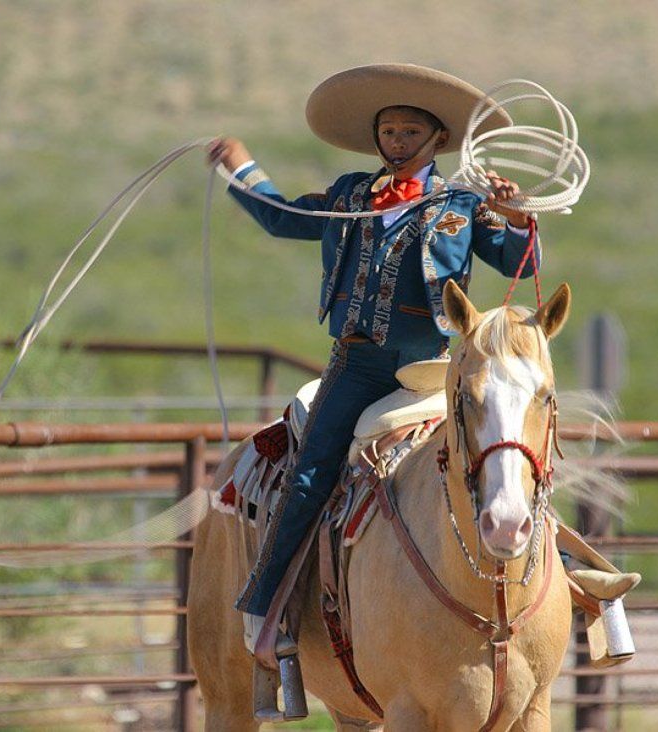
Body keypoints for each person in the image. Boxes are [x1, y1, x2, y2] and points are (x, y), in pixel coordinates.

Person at [207, 64, 542, 653]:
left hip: (435, 369)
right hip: (359, 364)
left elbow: (521, 266)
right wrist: (241, 170)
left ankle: (562, 576)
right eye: (388, 131)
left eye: (410, 132)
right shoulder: (347, 196)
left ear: (438, 140)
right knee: (311, 471)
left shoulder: (465, 204)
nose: (396, 142)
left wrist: (517, 222)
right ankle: (267, 606)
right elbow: (283, 218)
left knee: (507, 445)